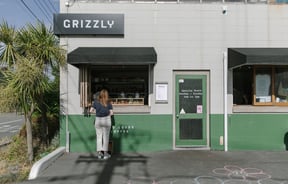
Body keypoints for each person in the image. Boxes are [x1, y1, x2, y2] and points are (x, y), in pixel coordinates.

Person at [90, 89, 113, 159]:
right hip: (106, 120)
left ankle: (100, 154)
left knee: (99, 137)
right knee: (106, 137)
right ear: (106, 95)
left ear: (100, 95)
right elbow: (111, 113)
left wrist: (97, 113)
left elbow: (91, 111)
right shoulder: (108, 102)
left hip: (98, 120)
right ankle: (105, 154)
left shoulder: (96, 102)